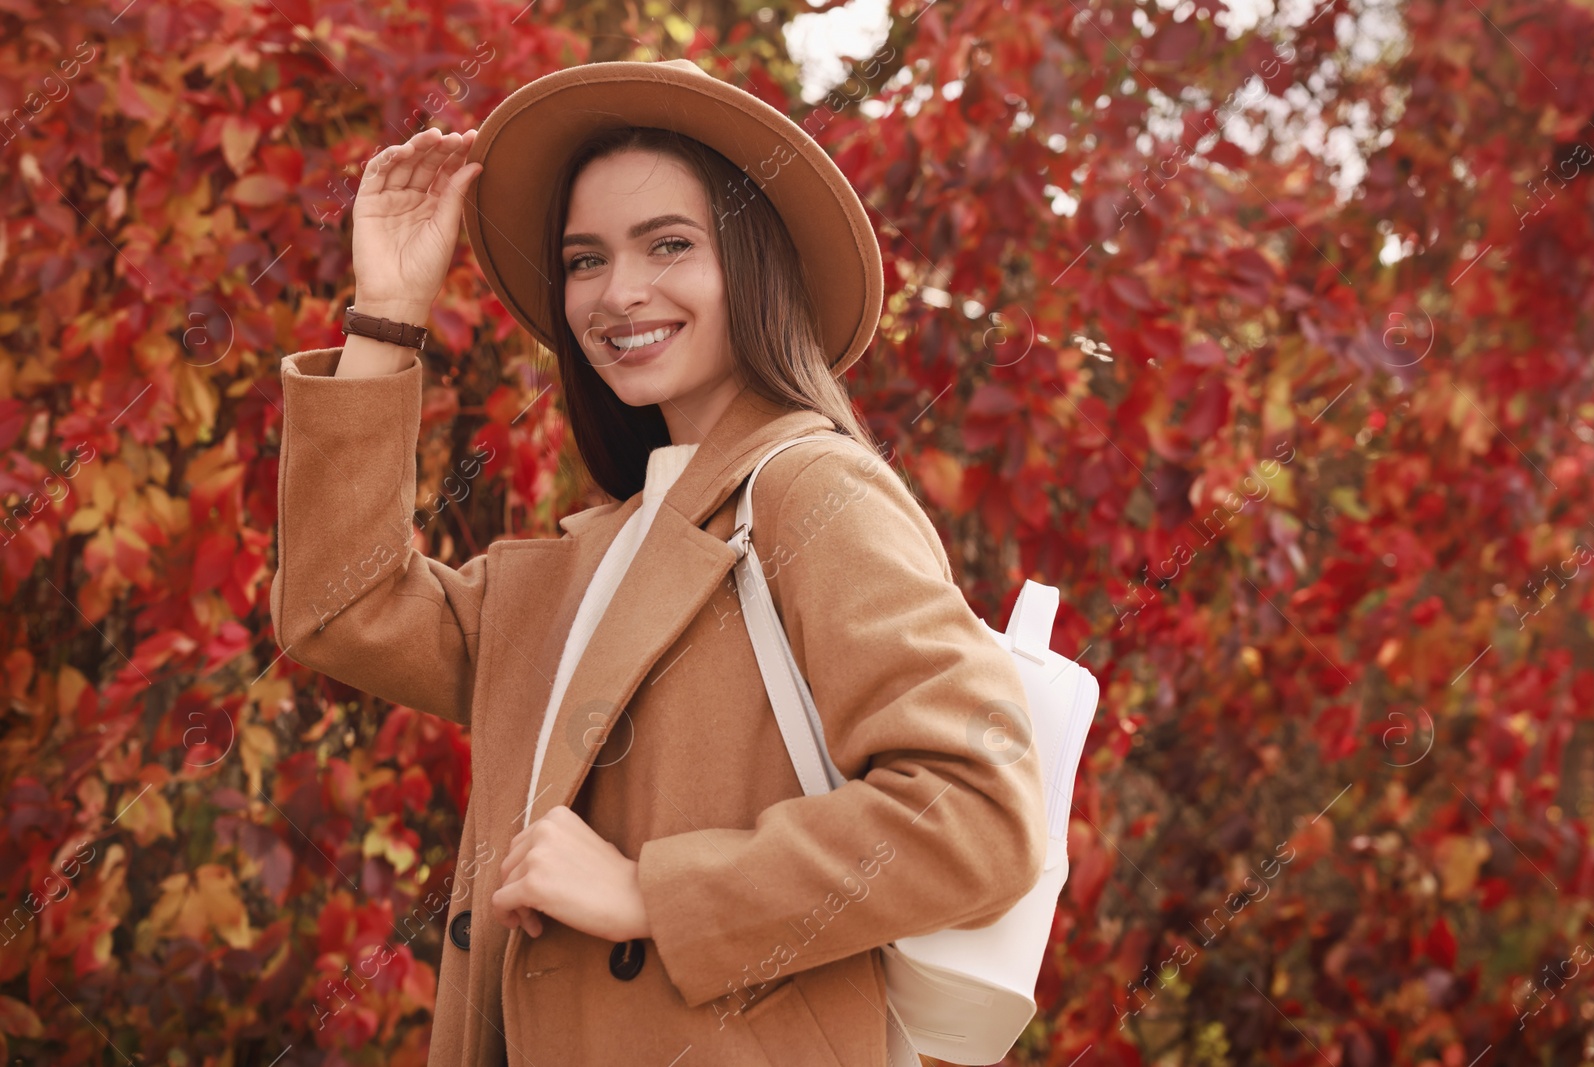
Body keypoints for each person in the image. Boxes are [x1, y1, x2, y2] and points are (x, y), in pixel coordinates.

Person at [268, 58, 1046, 1067]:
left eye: (669, 244)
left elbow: (976, 806)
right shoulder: (595, 553)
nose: (617, 292)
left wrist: (651, 891)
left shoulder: (811, 489)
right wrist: (387, 311)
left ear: (754, 264)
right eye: (583, 259)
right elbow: (342, 608)